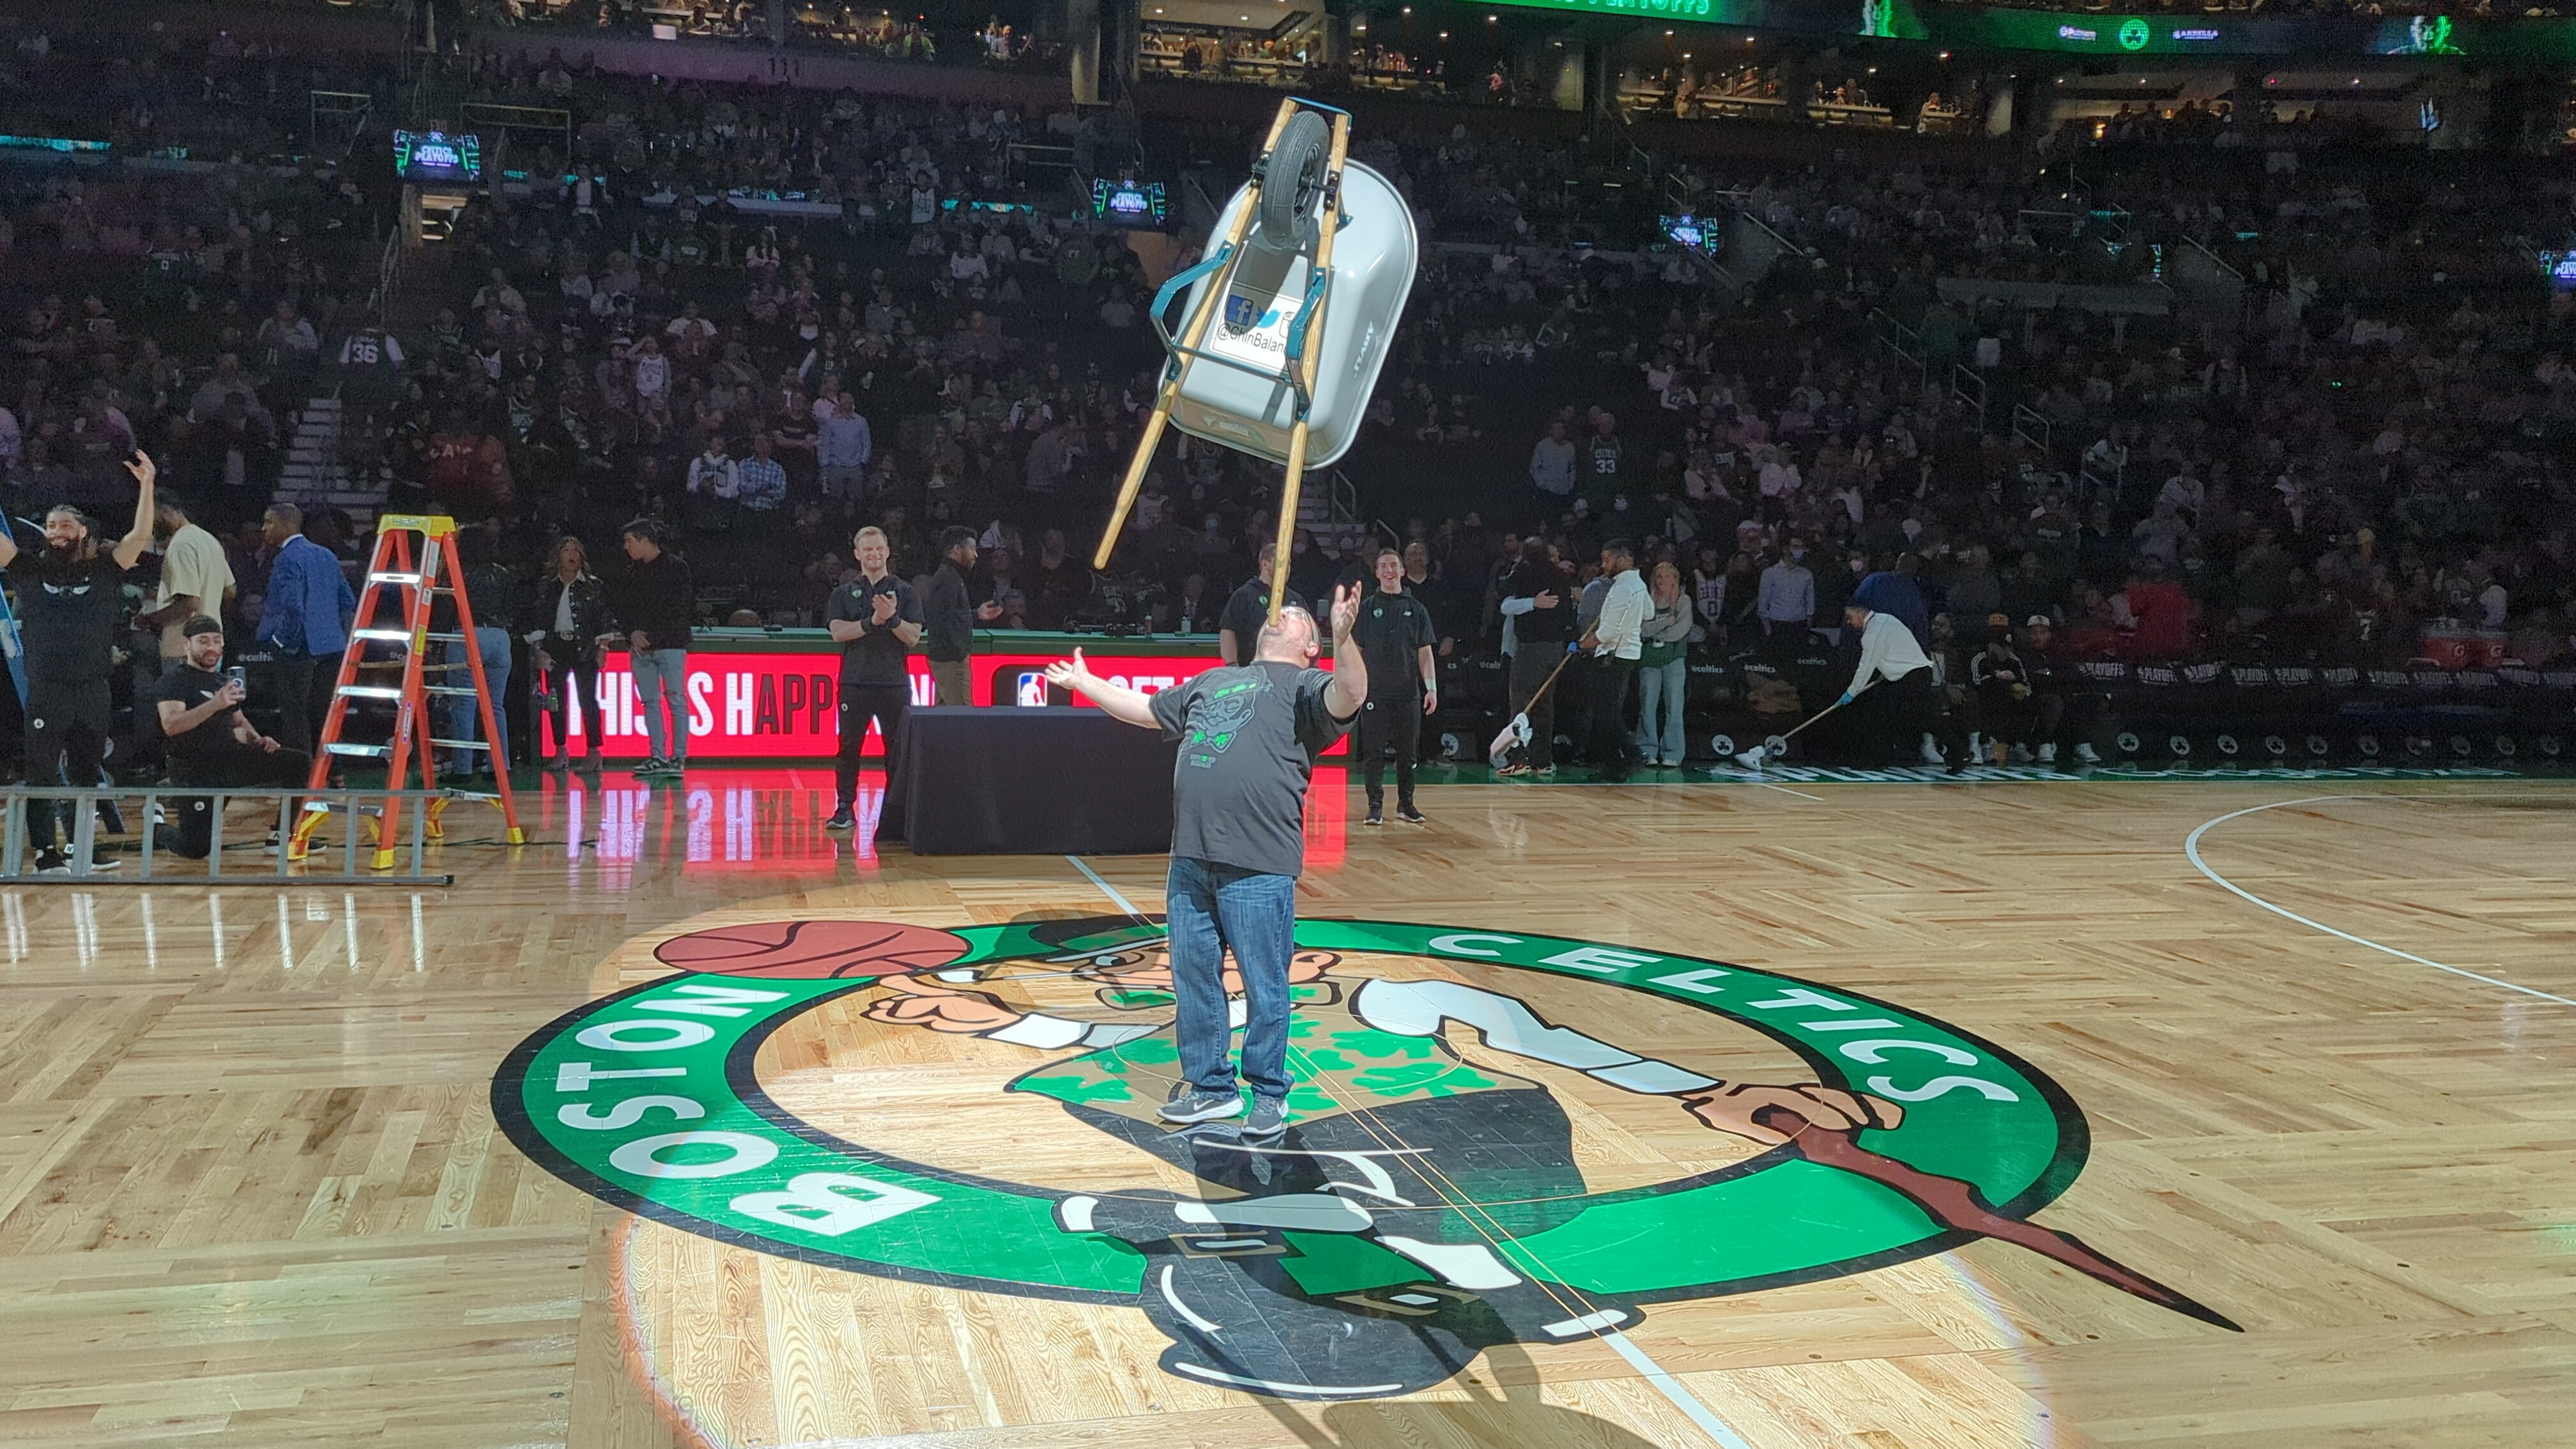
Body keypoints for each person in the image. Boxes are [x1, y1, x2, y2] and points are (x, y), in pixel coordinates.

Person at [1038, 582, 1365, 1138]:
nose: (1281, 614)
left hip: (1259, 863)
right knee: (1193, 979)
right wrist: (1085, 682)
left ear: (1311, 645)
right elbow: (1145, 710)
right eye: (1278, 611)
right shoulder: (1213, 680)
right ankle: (1212, 1088)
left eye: (1295, 616)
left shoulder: (1306, 686)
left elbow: (1350, 694)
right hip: (1191, 858)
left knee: (1265, 985)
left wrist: (1344, 636)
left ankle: (1269, 1094)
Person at [0, 450, 155, 872]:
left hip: (93, 689)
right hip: (47, 690)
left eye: (65, 525)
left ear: (83, 531)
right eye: (51, 526)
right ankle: (46, 855)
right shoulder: (28, 569)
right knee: (41, 773)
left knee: (88, 773)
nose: (57, 532)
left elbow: (140, 536)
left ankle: (81, 848)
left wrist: (147, 485)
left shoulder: (105, 568)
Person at [151, 615, 313, 860]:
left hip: (229, 758)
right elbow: (172, 725)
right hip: (195, 768)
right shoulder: (174, 680)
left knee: (298, 763)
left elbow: (238, 720)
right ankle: (156, 828)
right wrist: (215, 704)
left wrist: (259, 739)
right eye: (203, 641)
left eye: (217, 641)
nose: (212, 647)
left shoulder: (223, 680)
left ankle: (281, 834)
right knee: (196, 849)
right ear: (187, 645)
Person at [824, 525, 923, 833]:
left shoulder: (906, 592)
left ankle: (895, 814)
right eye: (867, 549)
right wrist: (871, 622)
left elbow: (913, 637)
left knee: (896, 750)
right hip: (855, 682)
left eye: (879, 548)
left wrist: (892, 619)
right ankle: (844, 808)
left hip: (894, 683)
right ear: (857, 554)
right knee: (849, 747)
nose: (874, 553)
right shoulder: (843, 593)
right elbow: (838, 632)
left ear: (888, 551)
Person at [249, 502, 353, 758]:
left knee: (295, 714)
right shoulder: (326, 555)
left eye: (269, 522)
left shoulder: (287, 558)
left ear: (286, 525)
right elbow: (348, 600)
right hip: (332, 646)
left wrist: (280, 641)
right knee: (323, 712)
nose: (264, 529)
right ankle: (334, 772)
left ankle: (301, 776)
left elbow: (293, 607)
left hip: (299, 649)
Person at [1348, 548, 1437, 826]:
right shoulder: (1366, 608)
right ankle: (1375, 806)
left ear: (1402, 571)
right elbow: (1357, 650)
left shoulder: (1417, 609)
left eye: (1393, 566)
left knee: (1408, 753)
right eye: (1383, 566)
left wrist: (1431, 688)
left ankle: (1406, 804)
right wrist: (1357, 684)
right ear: (1377, 573)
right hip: (1375, 693)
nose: (1388, 571)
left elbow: (1425, 652)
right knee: (1373, 752)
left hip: (1407, 693)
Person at [603, 520, 694, 777]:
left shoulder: (676, 568)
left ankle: (678, 757)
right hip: (641, 648)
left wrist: (650, 637)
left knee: (676, 699)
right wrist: (631, 633)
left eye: (629, 541)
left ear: (644, 539)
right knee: (651, 702)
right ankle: (658, 756)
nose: (626, 547)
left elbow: (679, 609)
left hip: (670, 645)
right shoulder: (632, 573)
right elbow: (623, 609)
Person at [1838, 599, 1966, 772]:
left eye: (1850, 617)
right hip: (1914, 674)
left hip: (1911, 677)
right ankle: (1956, 751)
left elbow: (1866, 666)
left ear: (1861, 613)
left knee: (1914, 717)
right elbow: (1897, 650)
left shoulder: (1872, 633)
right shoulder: (1887, 619)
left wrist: (1851, 692)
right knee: (1897, 716)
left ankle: (1957, 752)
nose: (1849, 622)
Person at [135, 490, 234, 695]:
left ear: (166, 512)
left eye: (151, 517)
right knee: (206, 708)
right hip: (213, 644)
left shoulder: (180, 545)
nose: (150, 525)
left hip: (184, 649)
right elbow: (230, 591)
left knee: (182, 712)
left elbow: (189, 604)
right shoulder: (209, 540)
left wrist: (150, 619)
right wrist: (209, 596)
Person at [527, 535, 607, 774]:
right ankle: (561, 749)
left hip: (584, 647)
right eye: (566, 550)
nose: (571, 555)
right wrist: (539, 649)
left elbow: (603, 617)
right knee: (555, 700)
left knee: (588, 699)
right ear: (558, 556)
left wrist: (603, 648)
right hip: (556, 648)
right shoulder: (547, 586)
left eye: (576, 550)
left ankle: (594, 752)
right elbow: (538, 618)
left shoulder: (593, 585)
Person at [1496, 540, 1573, 776]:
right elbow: (1567, 612)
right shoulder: (1560, 576)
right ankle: (1543, 761)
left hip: (1530, 649)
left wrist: (1531, 602)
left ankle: (1518, 759)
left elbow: (1503, 595)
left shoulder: (1524, 572)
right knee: (1545, 706)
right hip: (1555, 649)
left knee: (1521, 704)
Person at [1578, 538, 1649, 783]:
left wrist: (1580, 645)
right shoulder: (1637, 584)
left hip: (1613, 656)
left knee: (1605, 714)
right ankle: (1619, 763)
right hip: (1626, 655)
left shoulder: (1621, 588)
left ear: (1623, 559)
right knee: (1608, 713)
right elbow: (1649, 612)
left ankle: (1629, 756)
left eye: (1607, 560)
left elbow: (1606, 633)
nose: (1603, 565)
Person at [921, 525, 1000, 708]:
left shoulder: (952, 576)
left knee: (945, 712)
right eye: (972, 549)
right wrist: (958, 654)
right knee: (962, 713)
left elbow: (951, 616)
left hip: (949, 657)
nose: (976, 555)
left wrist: (976, 614)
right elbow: (941, 619)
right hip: (950, 659)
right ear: (957, 549)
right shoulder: (947, 578)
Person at [1635, 560, 1696, 768]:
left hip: (1674, 660)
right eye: (1659, 576)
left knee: (1674, 707)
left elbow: (1681, 629)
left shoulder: (1683, 601)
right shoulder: (1647, 602)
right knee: (1647, 706)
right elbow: (1641, 630)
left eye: (1667, 576)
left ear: (1674, 580)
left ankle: (1673, 753)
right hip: (1649, 660)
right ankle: (1647, 751)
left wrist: (1657, 633)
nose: (1662, 580)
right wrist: (1663, 623)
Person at [1215, 542, 1305, 666]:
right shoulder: (1245, 596)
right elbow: (1228, 630)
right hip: (1251, 668)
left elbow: (1308, 634)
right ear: (1265, 564)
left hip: (1289, 670)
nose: (1287, 567)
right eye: (1281, 562)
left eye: (1289, 563)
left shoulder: (1296, 599)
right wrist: (1232, 665)